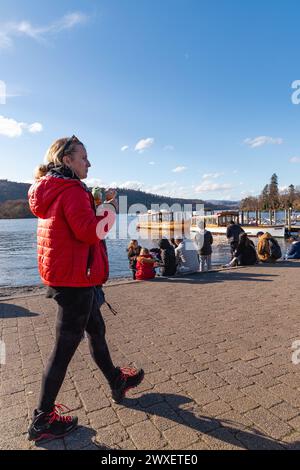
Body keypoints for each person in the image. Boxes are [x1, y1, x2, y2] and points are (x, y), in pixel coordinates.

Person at [27, 136, 144, 443]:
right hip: (76, 280)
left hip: (69, 276)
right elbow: (90, 231)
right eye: (83, 157)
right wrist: (109, 207)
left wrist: (94, 204)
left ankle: (116, 381)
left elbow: (72, 226)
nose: (89, 163)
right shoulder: (72, 189)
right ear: (67, 160)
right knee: (64, 347)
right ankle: (42, 419)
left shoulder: (50, 189)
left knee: (97, 329)